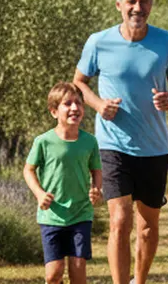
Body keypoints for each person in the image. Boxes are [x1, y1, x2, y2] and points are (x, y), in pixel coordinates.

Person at [73, 0, 168, 284]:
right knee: (120, 221)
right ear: (119, 5)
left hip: (154, 147)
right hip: (113, 145)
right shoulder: (99, 41)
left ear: (151, 4)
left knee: (147, 226)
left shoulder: (166, 42)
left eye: (144, 1)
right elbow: (79, 82)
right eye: (132, 1)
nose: (138, 7)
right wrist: (97, 105)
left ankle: (140, 279)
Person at [23, 81, 104, 284]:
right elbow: (28, 170)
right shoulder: (43, 141)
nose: (74, 108)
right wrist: (40, 194)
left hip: (80, 214)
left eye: (78, 103)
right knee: (53, 275)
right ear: (54, 111)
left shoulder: (90, 141)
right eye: (67, 104)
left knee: (78, 271)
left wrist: (96, 188)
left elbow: (96, 170)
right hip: (52, 216)